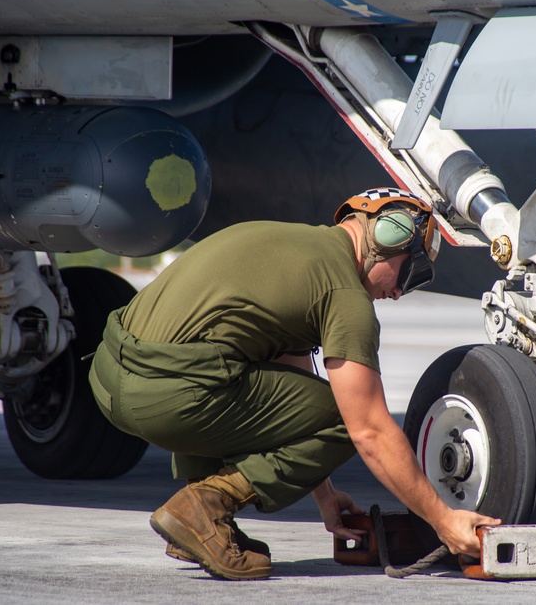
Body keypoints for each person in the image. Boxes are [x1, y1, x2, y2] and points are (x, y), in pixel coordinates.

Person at [88, 187, 499, 580]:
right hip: (165, 395)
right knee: (347, 417)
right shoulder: (344, 296)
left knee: (237, 370)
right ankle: (206, 506)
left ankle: (196, 525)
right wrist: (443, 520)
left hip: (109, 380)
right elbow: (368, 430)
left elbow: (291, 397)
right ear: (392, 238)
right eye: (413, 273)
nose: (399, 292)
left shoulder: (292, 247)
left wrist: (324, 495)